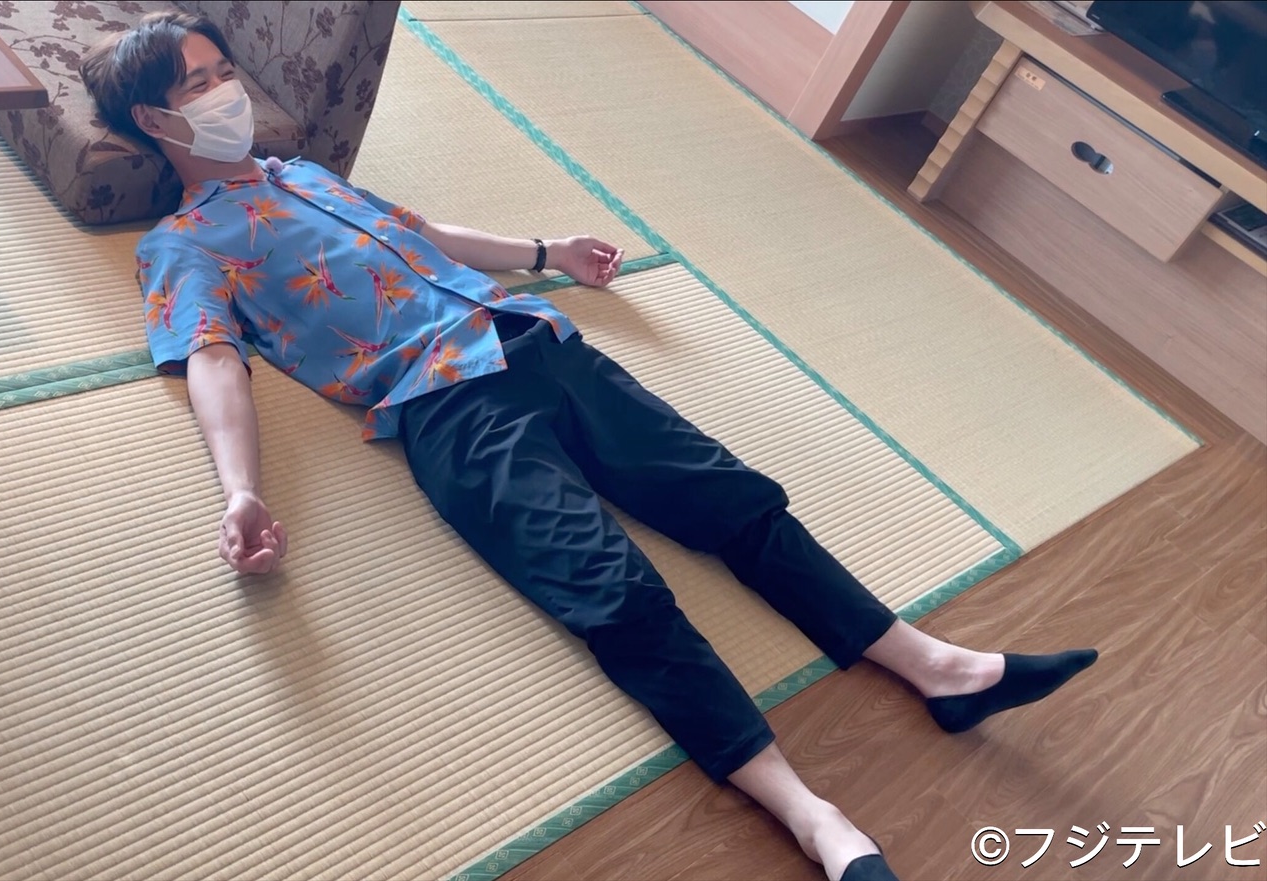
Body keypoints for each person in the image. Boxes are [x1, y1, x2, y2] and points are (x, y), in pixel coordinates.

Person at [81, 13, 1098, 881]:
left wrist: (545, 251)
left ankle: (938, 666)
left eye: (223, 71)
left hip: (540, 342)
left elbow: (423, 231)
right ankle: (808, 813)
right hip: (447, 412)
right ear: (154, 123)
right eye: (197, 85)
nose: (226, 91)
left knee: (736, 501)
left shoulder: (302, 172)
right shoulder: (183, 244)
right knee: (612, 592)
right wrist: (239, 489)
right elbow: (211, 359)